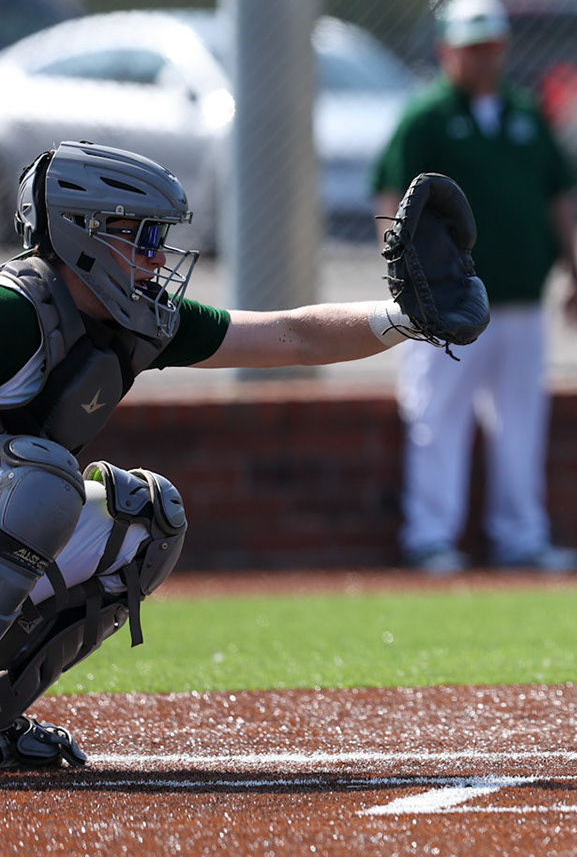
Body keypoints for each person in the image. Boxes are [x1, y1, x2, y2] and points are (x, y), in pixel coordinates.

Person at [0, 141, 483, 769]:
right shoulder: (17, 313)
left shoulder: (135, 319)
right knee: (44, 485)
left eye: (158, 236)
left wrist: (404, 319)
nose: (157, 256)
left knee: (145, 519)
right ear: (81, 234)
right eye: (141, 235)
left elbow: (291, 335)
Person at [372, 0, 577, 574]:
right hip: (447, 302)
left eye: (491, 45)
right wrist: (403, 278)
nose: (483, 57)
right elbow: (392, 198)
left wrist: (576, 271)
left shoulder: (526, 113)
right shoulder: (426, 118)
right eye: (471, 47)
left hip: (521, 295)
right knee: (437, 414)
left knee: (521, 421)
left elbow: (559, 196)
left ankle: (522, 537)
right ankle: (430, 536)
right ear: (447, 50)